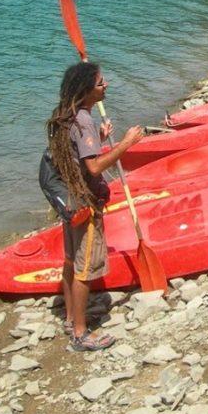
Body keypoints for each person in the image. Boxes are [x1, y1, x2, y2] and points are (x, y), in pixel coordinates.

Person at [46, 62, 144, 351]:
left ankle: (69, 318)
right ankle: (80, 333)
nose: (106, 85)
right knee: (85, 267)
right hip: (85, 205)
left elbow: (76, 155)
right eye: (101, 83)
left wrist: (98, 140)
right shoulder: (84, 120)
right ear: (86, 89)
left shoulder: (65, 115)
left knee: (70, 260)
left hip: (69, 202)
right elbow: (94, 167)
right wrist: (126, 143)